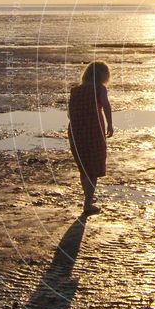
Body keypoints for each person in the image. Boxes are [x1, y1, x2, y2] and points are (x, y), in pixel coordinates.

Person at [68, 61, 113, 216]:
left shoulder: (75, 90)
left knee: (84, 166)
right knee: (93, 168)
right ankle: (87, 203)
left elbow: (70, 113)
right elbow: (106, 106)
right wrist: (110, 124)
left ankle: (88, 197)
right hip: (93, 130)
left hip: (75, 131)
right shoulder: (100, 88)